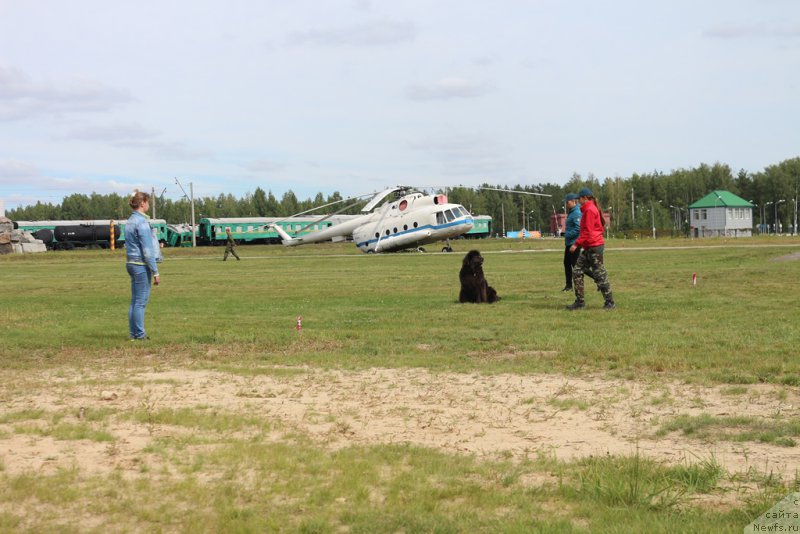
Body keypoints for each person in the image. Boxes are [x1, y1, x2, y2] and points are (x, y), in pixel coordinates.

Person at [566, 187, 615, 311]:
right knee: (577, 271)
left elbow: (587, 232)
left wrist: (576, 244)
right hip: (589, 246)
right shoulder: (589, 209)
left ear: (585, 198)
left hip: (594, 246)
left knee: (600, 274)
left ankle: (610, 302)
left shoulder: (589, 210)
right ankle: (580, 302)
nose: (578, 201)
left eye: (580, 199)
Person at [125, 190, 161, 339]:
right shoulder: (142, 222)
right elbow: (147, 250)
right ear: (142, 203)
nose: (148, 205)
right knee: (140, 302)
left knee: (134, 301)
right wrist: (155, 271)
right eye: (147, 202)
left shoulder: (129, 221)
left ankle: (134, 333)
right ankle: (140, 335)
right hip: (140, 264)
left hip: (131, 263)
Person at [562, 193, 581, 291]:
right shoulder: (571, 212)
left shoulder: (577, 212)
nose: (566, 204)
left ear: (574, 201)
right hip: (569, 243)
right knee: (566, 263)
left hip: (574, 243)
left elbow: (578, 229)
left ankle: (597, 278)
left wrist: (567, 235)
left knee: (576, 266)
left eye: (567, 202)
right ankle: (569, 285)